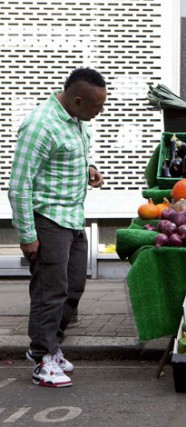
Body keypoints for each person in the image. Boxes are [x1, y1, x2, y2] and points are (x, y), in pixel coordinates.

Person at [8, 68, 107, 387]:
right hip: (47, 220)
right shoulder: (40, 126)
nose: (100, 111)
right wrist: (27, 235)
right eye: (97, 106)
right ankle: (41, 356)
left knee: (73, 286)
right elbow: (19, 186)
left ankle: (52, 345)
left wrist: (89, 168)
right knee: (50, 292)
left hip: (73, 217)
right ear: (78, 100)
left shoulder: (77, 120)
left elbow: (74, 155)